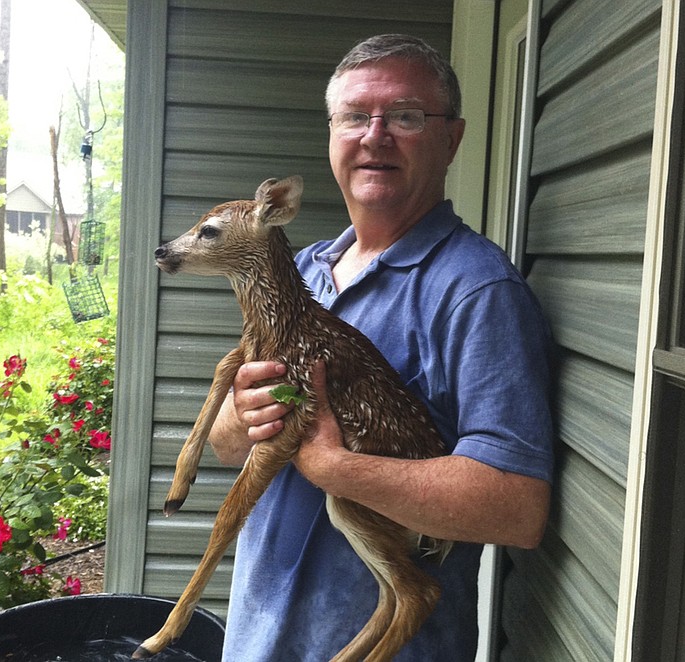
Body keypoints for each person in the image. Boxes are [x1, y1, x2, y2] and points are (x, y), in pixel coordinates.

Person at [208, 34, 554, 661]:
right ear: (332, 135)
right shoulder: (299, 271)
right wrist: (240, 413)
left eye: (405, 115)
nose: (375, 135)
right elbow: (230, 446)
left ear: (451, 138)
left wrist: (338, 470)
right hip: (257, 640)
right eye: (354, 116)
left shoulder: (477, 291)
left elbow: (516, 507)